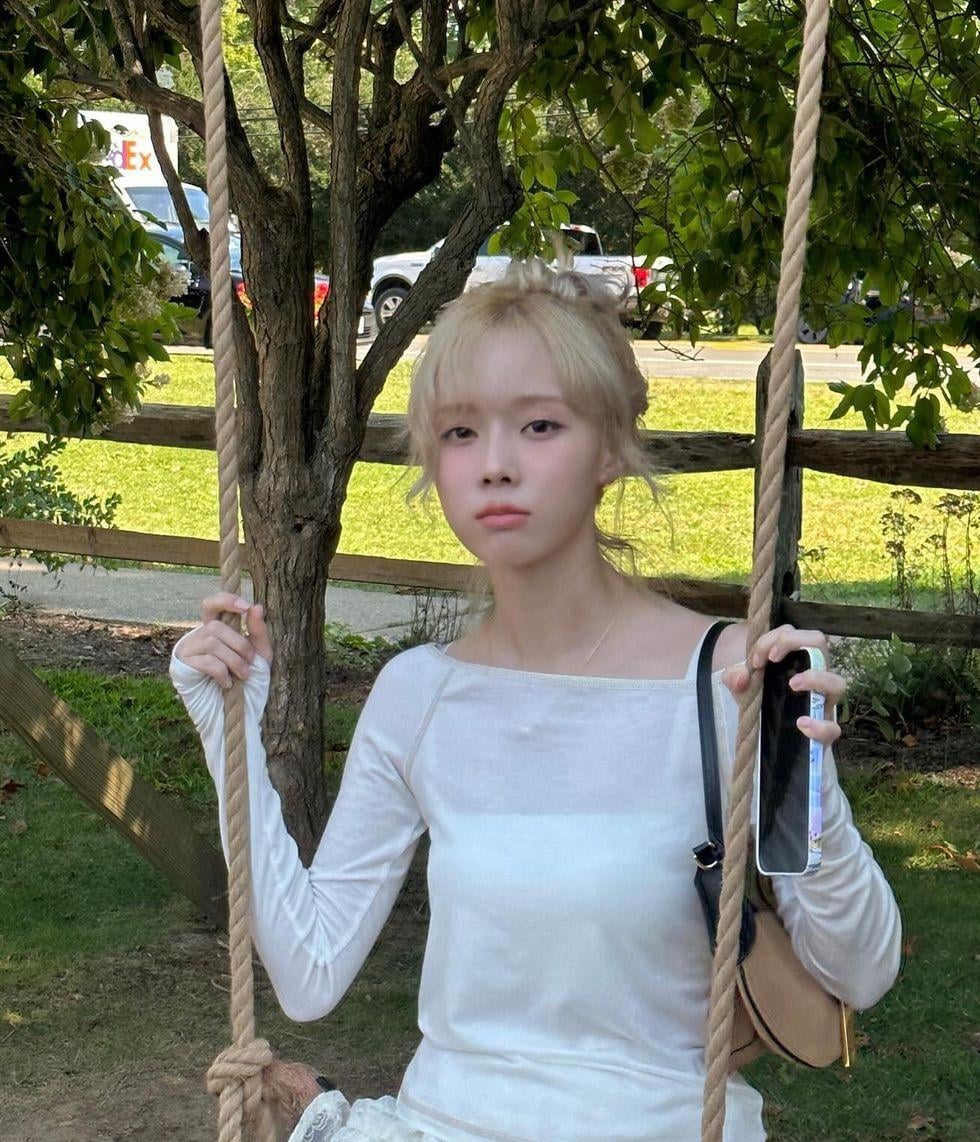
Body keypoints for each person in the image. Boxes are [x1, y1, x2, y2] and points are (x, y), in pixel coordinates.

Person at [170, 261, 901, 1142]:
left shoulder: (729, 680)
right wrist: (228, 733)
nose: (496, 466)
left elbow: (860, 975)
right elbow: (310, 970)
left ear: (610, 449)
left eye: (540, 425)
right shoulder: (420, 694)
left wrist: (804, 784)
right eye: (460, 433)